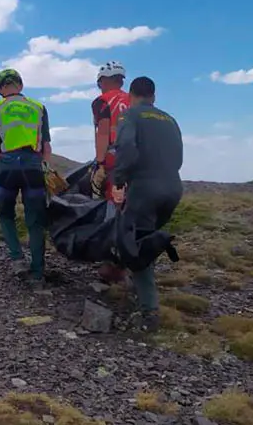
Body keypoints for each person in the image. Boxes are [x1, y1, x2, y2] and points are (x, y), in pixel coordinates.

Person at [110, 76, 184, 332]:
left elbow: (127, 148)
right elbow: (179, 156)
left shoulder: (130, 116)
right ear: (153, 96)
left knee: (136, 246)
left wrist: (119, 180)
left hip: (145, 188)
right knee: (147, 238)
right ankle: (139, 286)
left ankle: (149, 312)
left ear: (131, 94)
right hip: (173, 187)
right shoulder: (169, 119)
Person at [0, 69, 52, 285]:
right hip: (33, 166)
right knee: (36, 221)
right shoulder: (38, 107)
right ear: (21, 86)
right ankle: (37, 272)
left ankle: (17, 259)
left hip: (6, 167)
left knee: (6, 215)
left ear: (0, 90)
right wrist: (46, 167)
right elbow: (46, 145)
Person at [90, 61, 131, 285]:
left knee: (112, 208)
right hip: (139, 159)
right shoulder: (133, 100)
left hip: (115, 159)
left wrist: (100, 163)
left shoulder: (102, 101)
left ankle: (112, 264)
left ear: (103, 80)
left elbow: (103, 132)